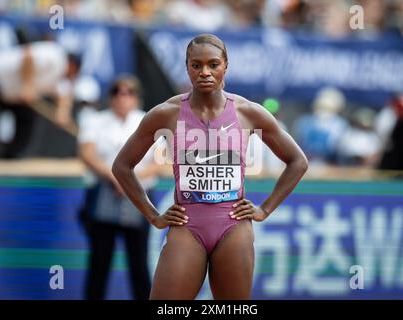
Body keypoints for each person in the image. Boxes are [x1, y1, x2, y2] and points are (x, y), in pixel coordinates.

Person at [112, 34, 308, 300]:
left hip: (232, 225)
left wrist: (265, 209)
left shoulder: (248, 113)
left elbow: (298, 161)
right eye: (196, 65)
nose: (205, 72)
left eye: (213, 64)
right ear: (187, 67)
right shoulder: (166, 113)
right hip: (187, 223)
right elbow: (122, 166)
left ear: (225, 65)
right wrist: (153, 215)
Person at [78, 75, 160, 300]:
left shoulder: (148, 121)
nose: (123, 97)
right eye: (117, 92)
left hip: (139, 196)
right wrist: (116, 178)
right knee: (99, 261)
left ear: (137, 97)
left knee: (139, 262)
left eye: (129, 92)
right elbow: (87, 153)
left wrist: (129, 180)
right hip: (105, 192)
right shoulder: (95, 121)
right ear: (110, 97)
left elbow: (161, 162)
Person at [0, 40, 81, 158]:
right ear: (73, 66)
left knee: (27, 118)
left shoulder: (58, 77)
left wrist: (62, 113)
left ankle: (9, 158)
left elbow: (64, 93)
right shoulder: (56, 56)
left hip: (9, 95)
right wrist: (27, 85)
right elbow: (28, 55)